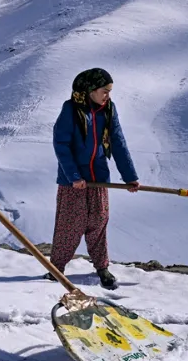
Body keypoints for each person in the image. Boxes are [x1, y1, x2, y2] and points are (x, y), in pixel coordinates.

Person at [48, 67, 139, 290]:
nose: (108, 95)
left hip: (99, 179)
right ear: (90, 90)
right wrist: (74, 176)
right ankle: (56, 268)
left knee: (98, 222)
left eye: (110, 91)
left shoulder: (108, 109)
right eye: (104, 90)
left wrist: (130, 177)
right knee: (70, 226)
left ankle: (101, 267)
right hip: (74, 182)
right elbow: (61, 145)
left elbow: (118, 142)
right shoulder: (71, 109)